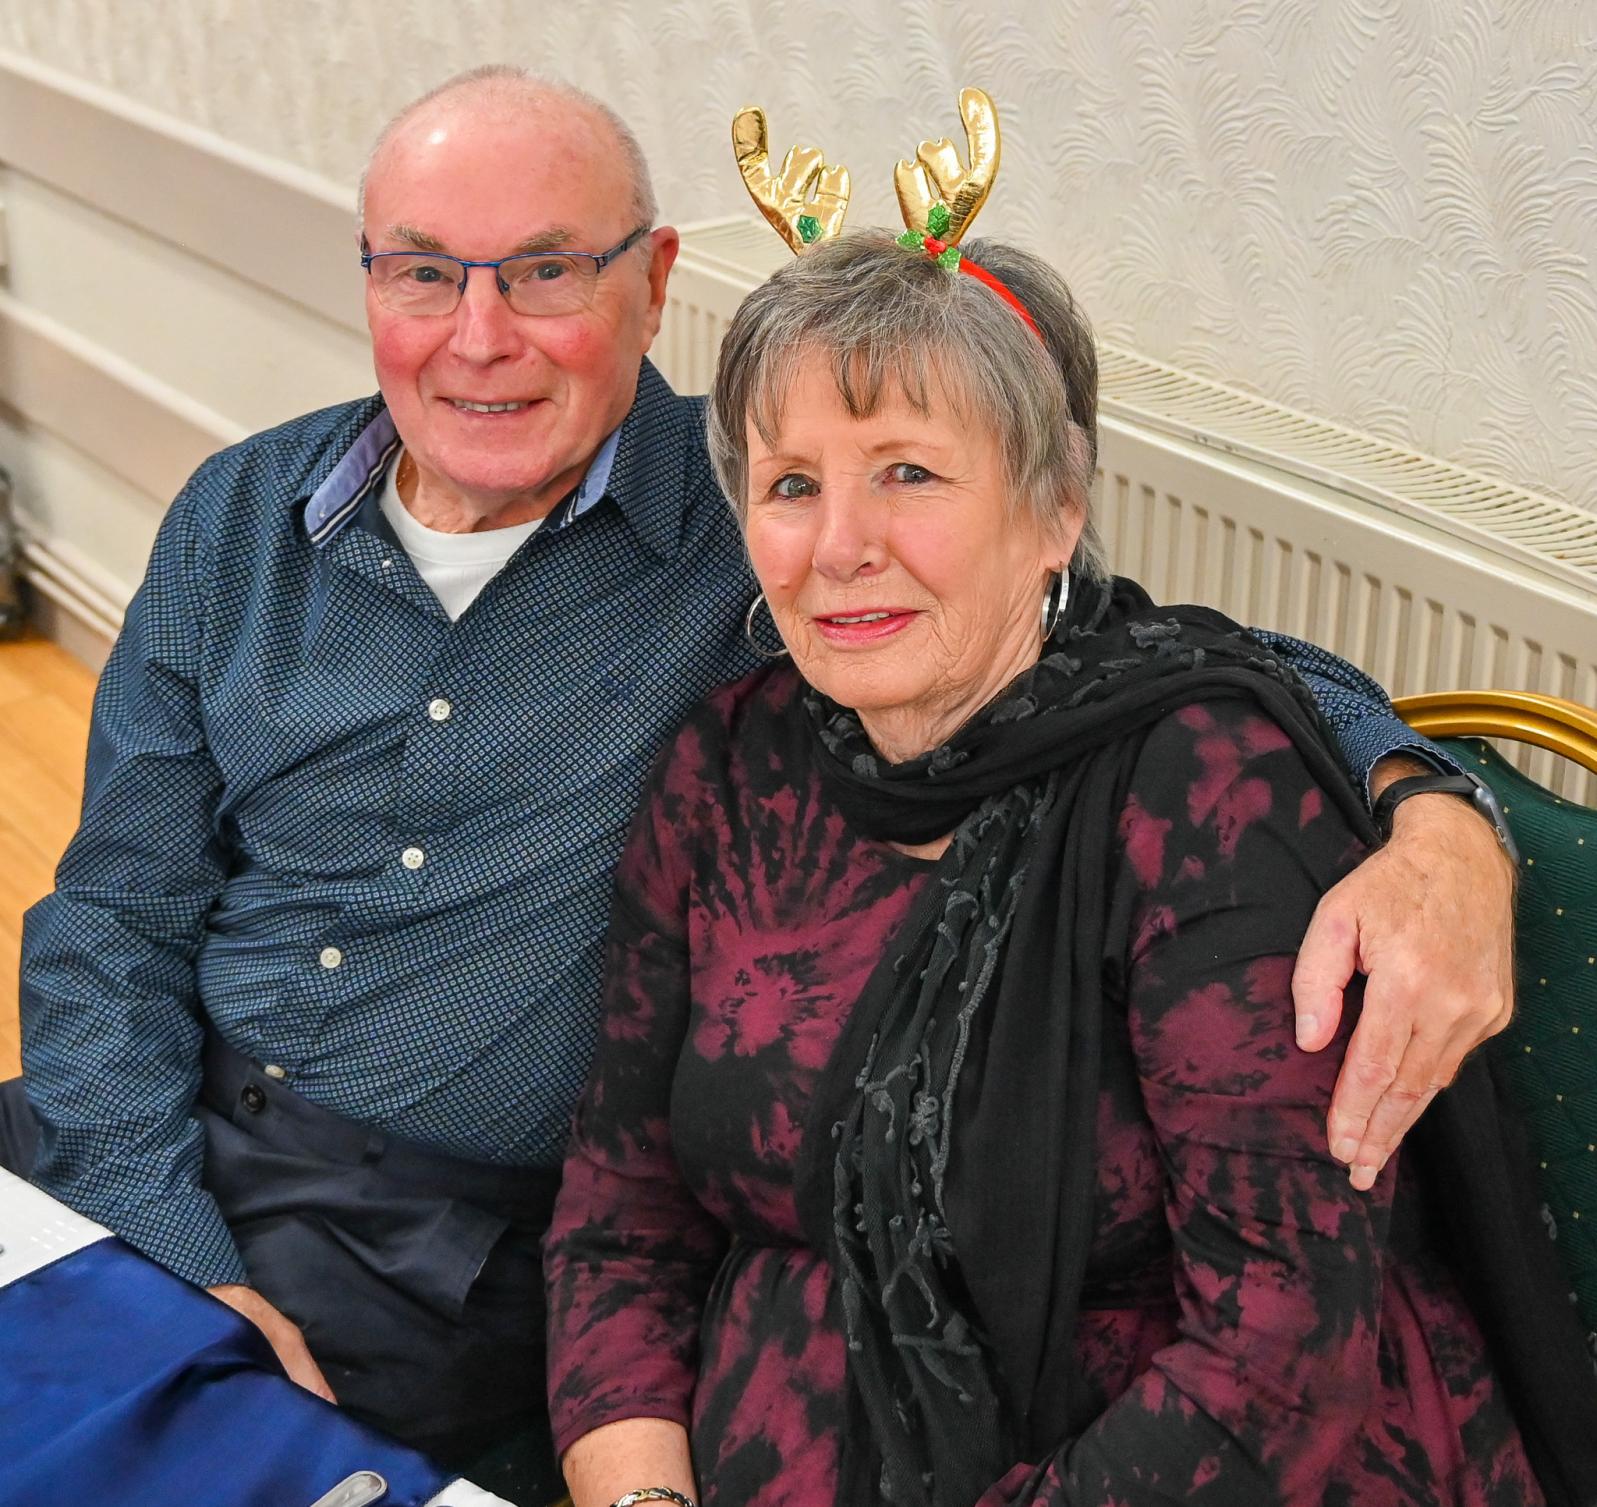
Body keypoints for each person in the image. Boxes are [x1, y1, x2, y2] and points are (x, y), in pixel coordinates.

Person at [0, 65, 1513, 1490]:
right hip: (143, 1142)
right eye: (422, 272)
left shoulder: (751, 530)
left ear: (655, 281)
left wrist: (1435, 806)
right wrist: (168, 1247)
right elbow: (114, 918)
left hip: (430, 1253)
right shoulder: (242, 515)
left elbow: (1167, 654)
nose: (479, 335)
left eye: (546, 270)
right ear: (369, 282)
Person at [544, 231, 1597, 1507]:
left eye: (909, 473)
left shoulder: (1204, 793)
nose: (840, 543)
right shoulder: (727, 763)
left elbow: (1277, 1355)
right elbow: (621, 1217)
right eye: (792, 484)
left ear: (1055, 508)